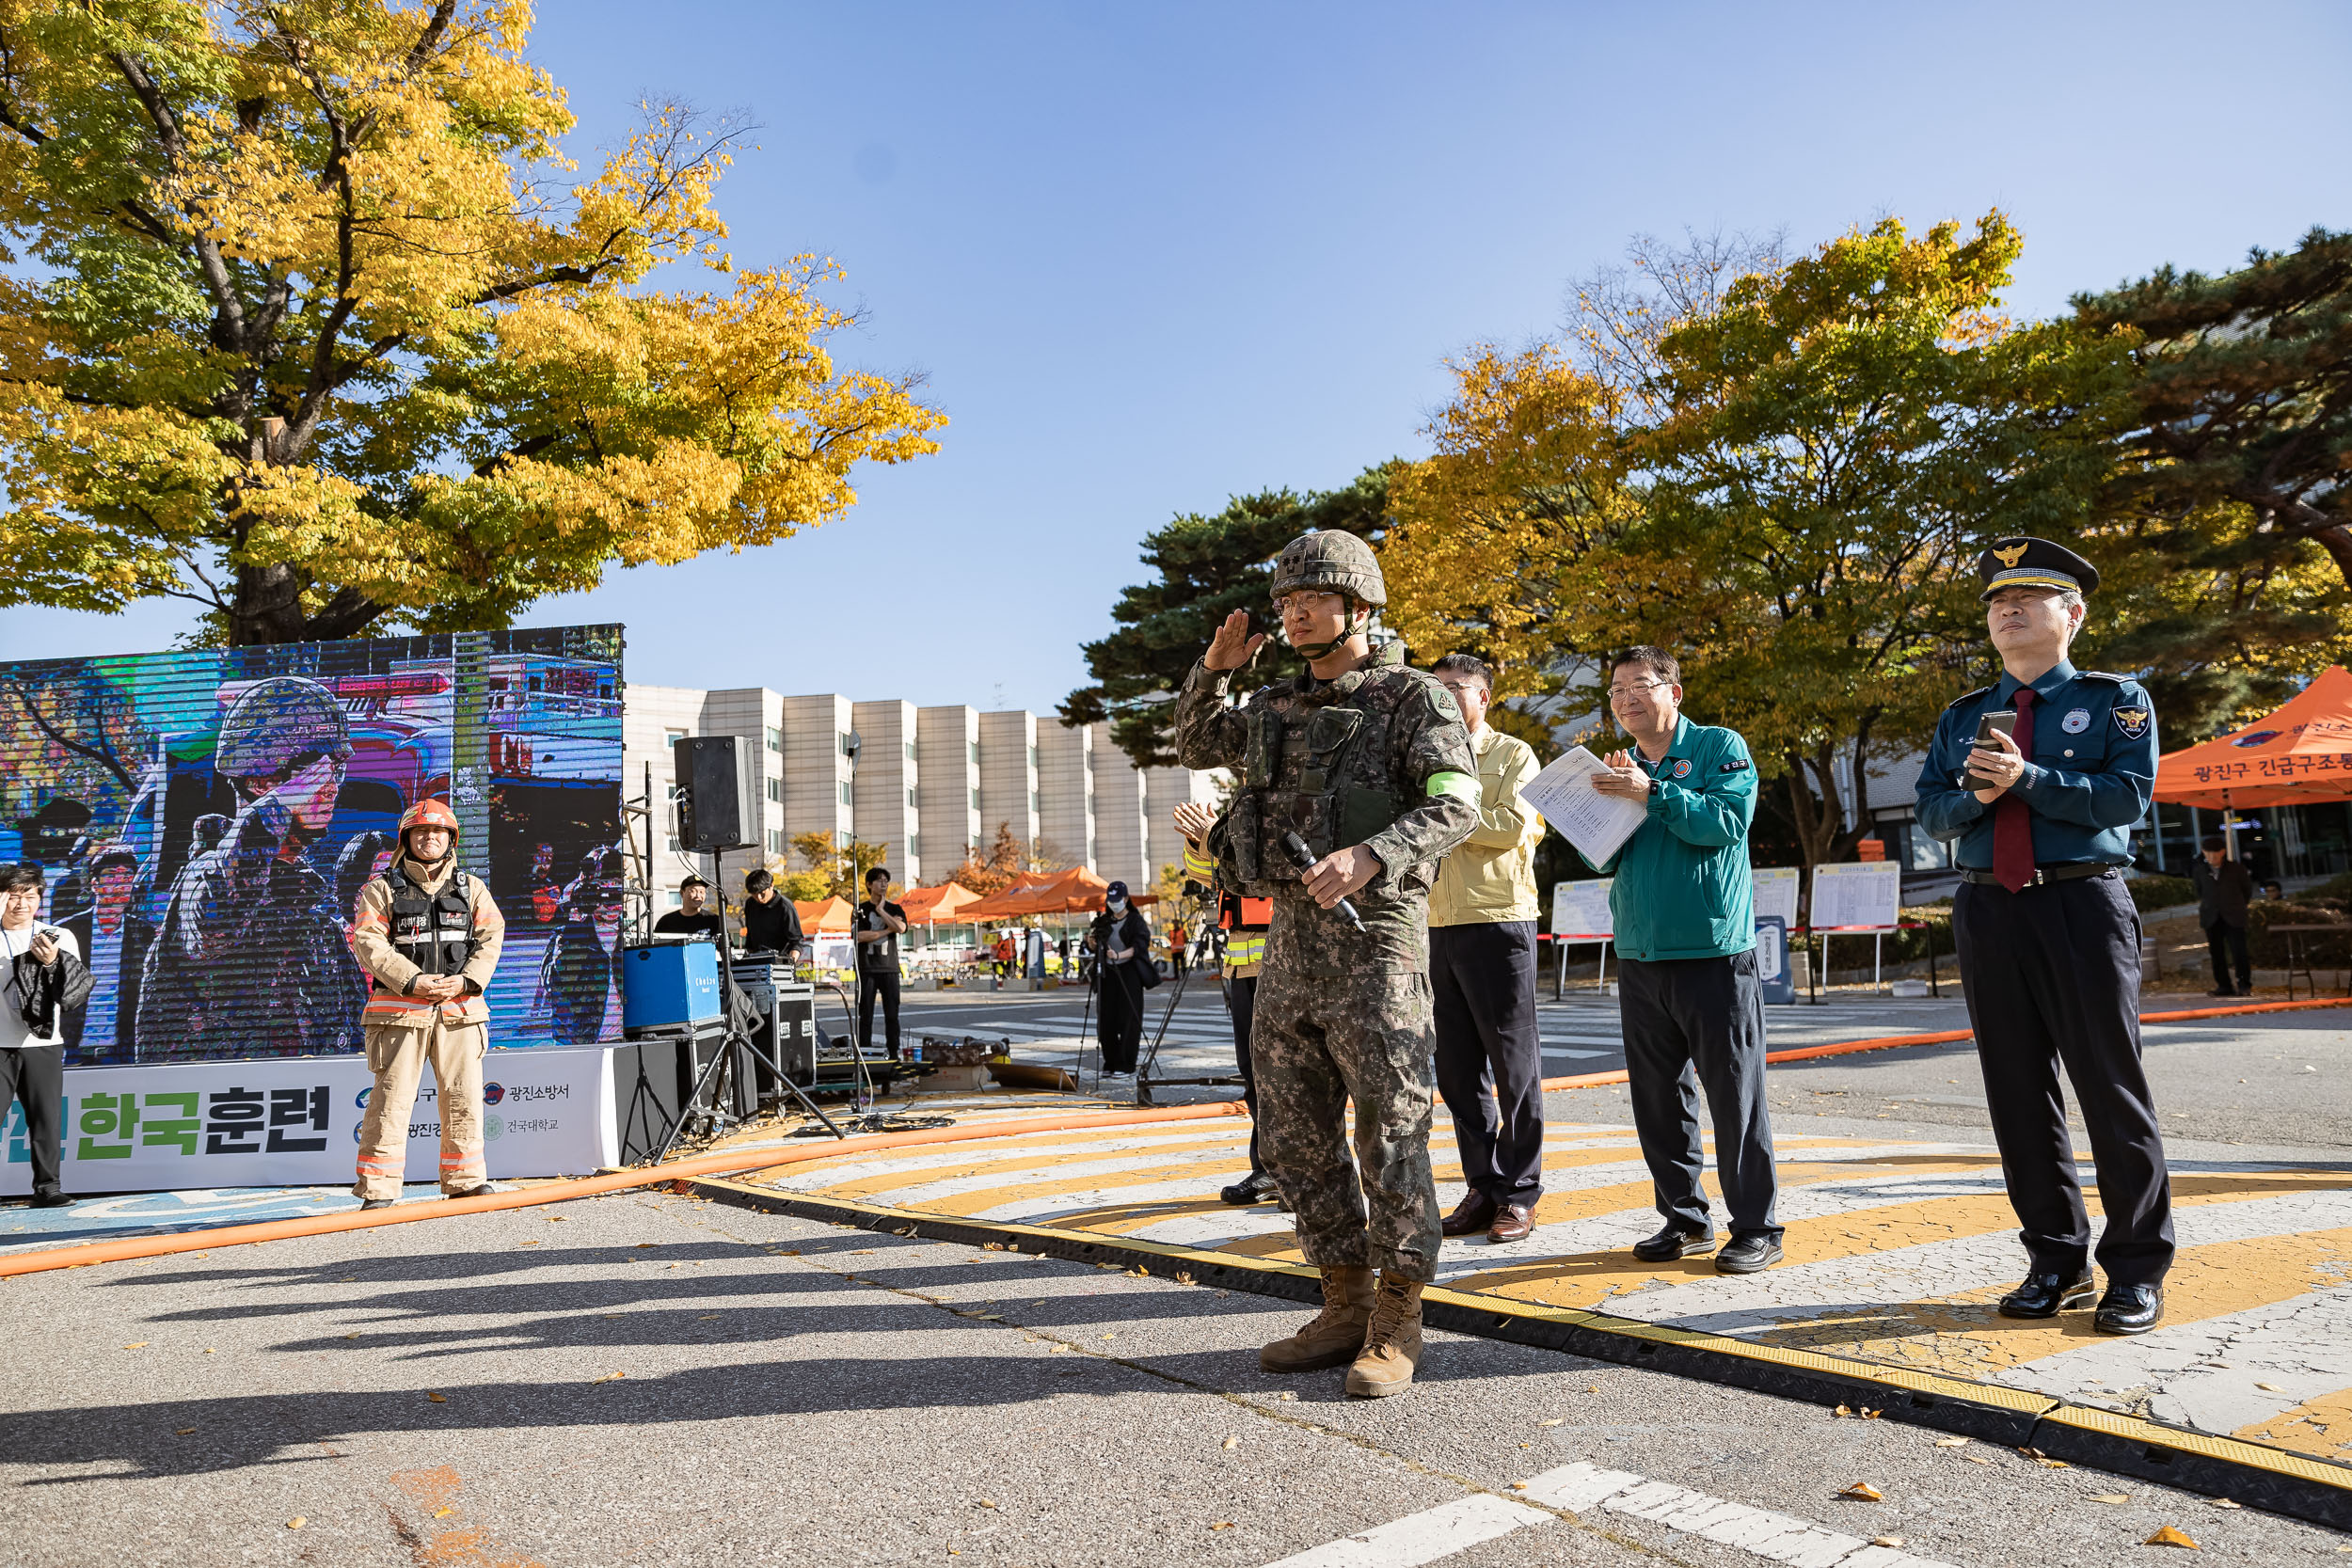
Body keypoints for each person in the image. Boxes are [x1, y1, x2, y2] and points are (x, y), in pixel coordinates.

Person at [1175, 529, 1478, 1399]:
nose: (1293, 612)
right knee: (1292, 1135)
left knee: (1391, 1131)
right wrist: (1217, 665)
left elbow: (1456, 804)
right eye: (1283, 603)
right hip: (1292, 947)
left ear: (1359, 606)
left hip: (1376, 940)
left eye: (1310, 598)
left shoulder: (1411, 698)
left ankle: (1397, 1315)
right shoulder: (1272, 704)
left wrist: (1374, 853)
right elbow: (1198, 742)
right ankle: (1341, 1300)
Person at [1915, 536, 2170, 1336]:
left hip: (2080, 904)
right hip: (1990, 908)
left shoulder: (2116, 698)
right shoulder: (1961, 718)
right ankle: (2054, 1257)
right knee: (2017, 1094)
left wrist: (2031, 778)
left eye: (2027, 598)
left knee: (2109, 1087)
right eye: (1996, 602)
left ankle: (2133, 1268)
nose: (2008, 610)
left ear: (2074, 614)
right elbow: (1931, 811)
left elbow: (2126, 796)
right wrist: (1981, 795)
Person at [1585, 647, 1782, 1274]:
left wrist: (1654, 792)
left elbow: (1726, 822)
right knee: (1658, 1098)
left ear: (1675, 691)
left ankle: (1757, 1225)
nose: (1626, 698)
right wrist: (1596, 812)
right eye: (1616, 689)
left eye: (1640, 684)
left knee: (1735, 1095)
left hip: (1713, 950)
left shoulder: (1719, 746)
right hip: (1640, 950)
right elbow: (1604, 857)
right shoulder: (1624, 766)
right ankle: (1685, 1218)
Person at [138, 676, 370, 1062]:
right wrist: (280, 804)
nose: (330, 787)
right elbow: (220, 913)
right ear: (260, 781)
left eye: (336, 772)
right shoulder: (201, 882)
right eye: (312, 772)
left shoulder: (318, 924)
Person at [1424, 654, 1548, 1245]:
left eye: (1457, 689)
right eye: (1437, 689)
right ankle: (1482, 1186)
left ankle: (1520, 1194)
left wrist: (1443, 814)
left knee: (1513, 1068)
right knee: (1456, 1071)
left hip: (1499, 923)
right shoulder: (1423, 757)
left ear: (1485, 697)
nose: (1445, 698)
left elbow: (1514, 826)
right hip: (1435, 925)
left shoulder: (1514, 755)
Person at [349, 800, 508, 1209]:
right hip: (399, 1014)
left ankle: (467, 1180)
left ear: (451, 838)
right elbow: (368, 943)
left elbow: (491, 937)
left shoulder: (472, 888)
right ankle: (378, 1190)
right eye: (420, 832)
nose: (429, 837)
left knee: (465, 1098)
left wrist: (466, 979)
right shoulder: (381, 888)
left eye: (438, 832)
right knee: (391, 1101)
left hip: (461, 1011)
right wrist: (414, 981)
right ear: (407, 839)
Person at [1178, 800, 1277, 1205]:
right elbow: (1207, 874)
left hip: (1282, 965)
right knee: (1254, 1075)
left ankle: (1303, 1174)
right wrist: (1198, 838)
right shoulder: (1240, 814)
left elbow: (1260, 873)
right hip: (1243, 972)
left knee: (1292, 1075)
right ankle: (1268, 1170)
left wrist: (1215, 839)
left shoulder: (1290, 810)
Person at [1, 863, 80, 1207]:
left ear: (40, 899)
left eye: (29, 896)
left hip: (42, 1042)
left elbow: (73, 993)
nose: (21, 904)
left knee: (46, 1118)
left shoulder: (58, 935)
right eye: (12, 895)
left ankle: (48, 1187)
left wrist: (50, 965)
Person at [57, 844, 154, 1064]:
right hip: (70, 1051)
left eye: (127, 876)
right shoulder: (67, 931)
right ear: (95, 884)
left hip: (123, 1053)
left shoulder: (144, 934)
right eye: (111, 876)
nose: (120, 884)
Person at [1085, 881, 1153, 1081]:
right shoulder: (1104, 920)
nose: (1114, 904)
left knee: (1128, 1019)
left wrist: (1119, 955)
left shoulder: (1135, 921)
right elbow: (1095, 944)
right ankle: (1110, 1061)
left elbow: (1140, 945)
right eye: (1111, 900)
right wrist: (1091, 943)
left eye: (1117, 900)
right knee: (1106, 1019)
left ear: (1125, 899)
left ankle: (1126, 1063)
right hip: (1106, 973)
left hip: (1129, 971)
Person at [2190, 836, 2254, 997]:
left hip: (2234, 915)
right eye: (2208, 854)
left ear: (2223, 852)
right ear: (2204, 853)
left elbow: (2247, 890)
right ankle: (2224, 985)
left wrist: (2238, 906)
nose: (2212, 857)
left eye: (2215, 854)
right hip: (2211, 917)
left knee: (2239, 952)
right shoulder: (2200, 871)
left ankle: (2244, 984)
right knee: (2216, 953)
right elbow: (2200, 891)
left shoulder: (2236, 868)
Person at [854, 867, 908, 1059]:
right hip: (867, 968)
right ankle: (865, 1055)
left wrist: (880, 911)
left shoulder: (895, 909)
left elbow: (901, 928)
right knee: (865, 1015)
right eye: (878, 880)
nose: (883, 884)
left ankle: (894, 1055)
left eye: (886, 880)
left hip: (890, 968)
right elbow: (859, 936)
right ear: (869, 884)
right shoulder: (860, 910)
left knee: (892, 1015)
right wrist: (885, 930)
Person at [739, 868, 803, 959]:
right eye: (754, 894)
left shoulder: (785, 907)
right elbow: (750, 936)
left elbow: (797, 941)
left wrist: (791, 962)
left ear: (771, 886)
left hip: (780, 960)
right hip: (755, 959)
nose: (759, 898)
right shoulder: (750, 904)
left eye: (762, 893)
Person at [655, 874, 726, 941]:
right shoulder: (666, 922)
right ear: (682, 893)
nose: (698, 896)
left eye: (702, 892)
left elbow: (727, 949)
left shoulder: (714, 920)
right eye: (693, 891)